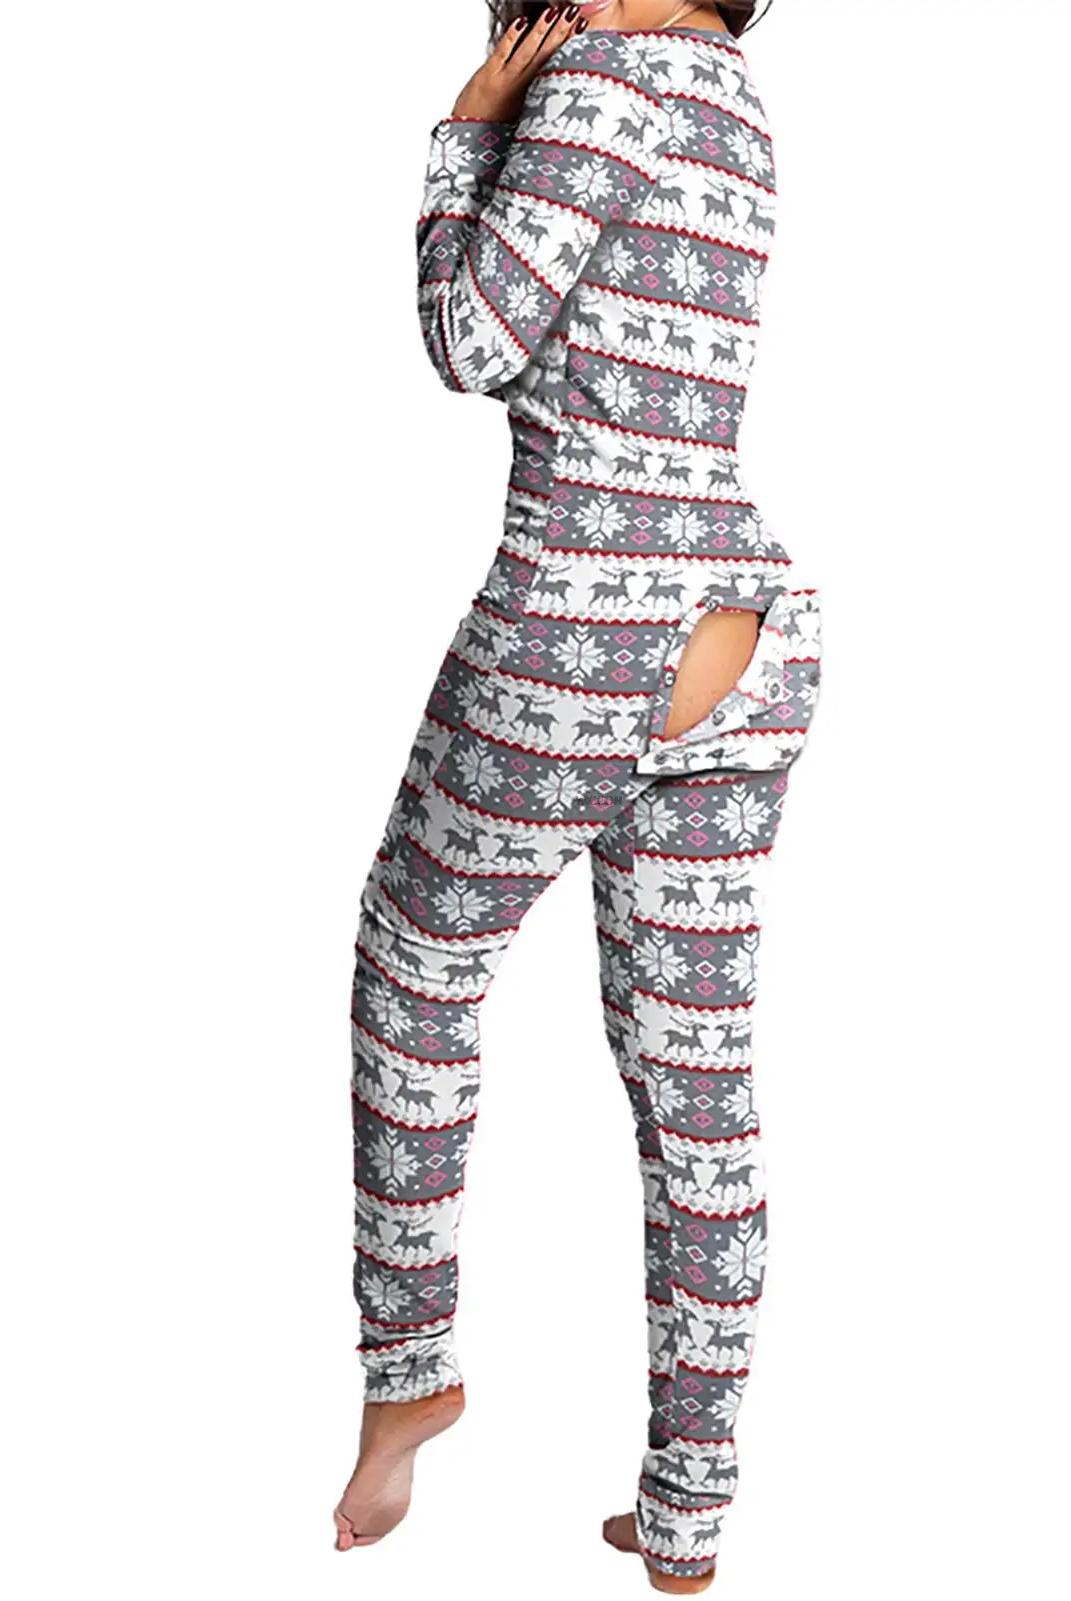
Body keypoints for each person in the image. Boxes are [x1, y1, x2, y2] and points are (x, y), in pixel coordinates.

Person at [334, 3, 819, 1590]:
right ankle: (687, 1522)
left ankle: (410, 1377)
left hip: (581, 625)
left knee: (415, 972)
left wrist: (467, 130)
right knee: (699, 1091)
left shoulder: (600, 78)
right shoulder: (740, 97)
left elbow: (470, 343)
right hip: (745, 627)